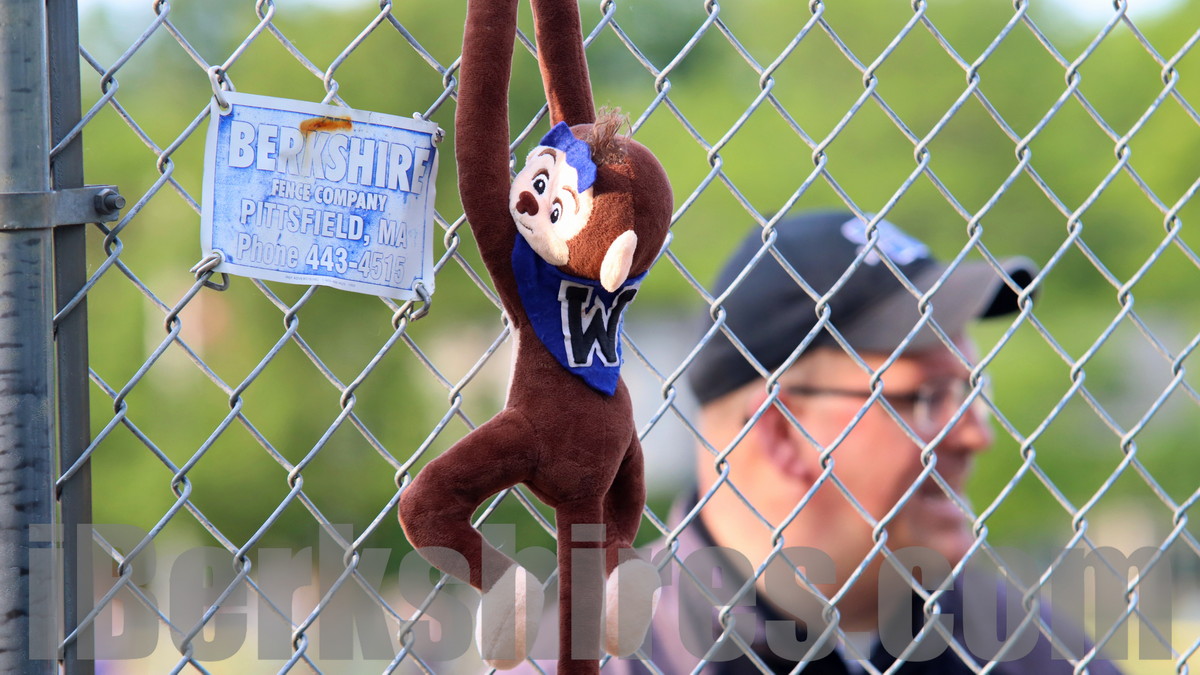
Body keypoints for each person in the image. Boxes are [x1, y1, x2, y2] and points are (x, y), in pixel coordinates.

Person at [515, 210, 1121, 673]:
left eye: (970, 391)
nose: (975, 434)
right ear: (781, 431)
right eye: (927, 397)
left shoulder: (1033, 650)